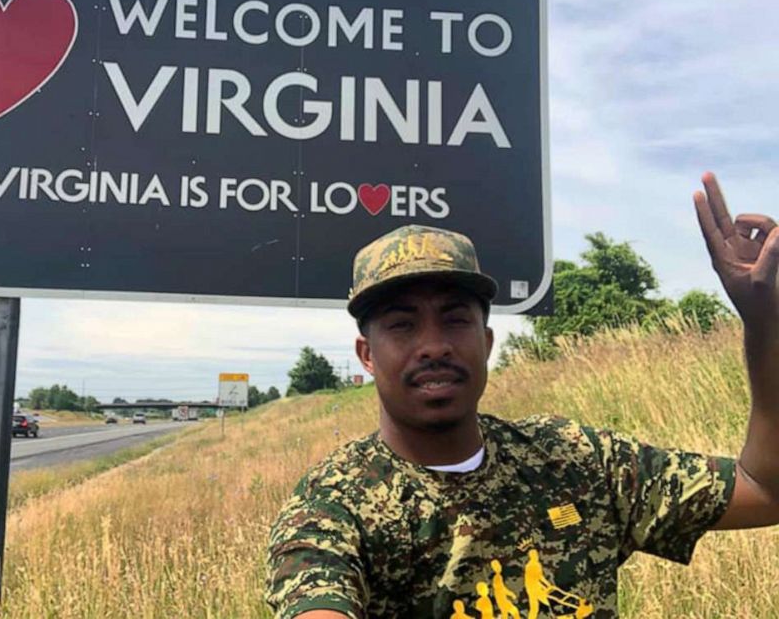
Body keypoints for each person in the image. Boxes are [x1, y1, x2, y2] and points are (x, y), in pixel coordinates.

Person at [265, 173, 779, 618]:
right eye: (402, 326)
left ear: (486, 343)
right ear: (367, 355)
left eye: (455, 319)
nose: (434, 346)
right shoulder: (334, 506)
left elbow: (764, 488)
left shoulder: (575, 460)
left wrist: (765, 324)